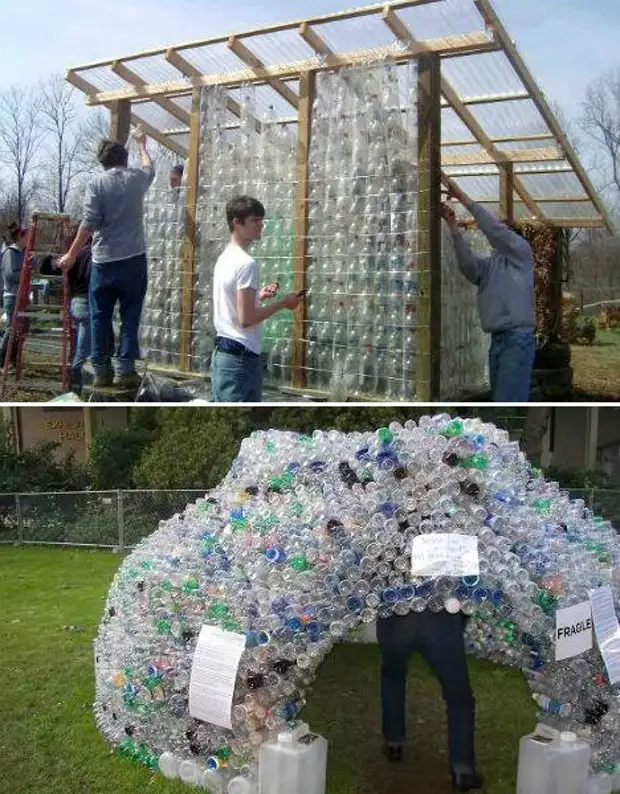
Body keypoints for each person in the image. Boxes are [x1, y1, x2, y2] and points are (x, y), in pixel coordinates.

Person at [58, 125, 154, 389]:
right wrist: (142, 143)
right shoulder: (136, 178)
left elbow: (89, 223)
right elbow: (149, 167)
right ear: (125, 159)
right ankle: (125, 368)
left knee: (99, 315)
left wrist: (71, 254)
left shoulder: (96, 183)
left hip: (104, 260)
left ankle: (101, 369)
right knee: (130, 314)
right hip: (134, 258)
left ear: (103, 163)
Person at [440, 174, 536, 402]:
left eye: (504, 232)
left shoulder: (521, 254)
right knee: (500, 399)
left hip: (517, 340)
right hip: (499, 340)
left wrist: (465, 199)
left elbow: (495, 231)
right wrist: (453, 227)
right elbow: (468, 267)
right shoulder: (491, 265)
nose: (497, 233)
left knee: (507, 399)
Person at [377, 610, 484, 792]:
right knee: (459, 698)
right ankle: (462, 769)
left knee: (392, 677)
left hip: (396, 615)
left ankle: (394, 742)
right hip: (439, 617)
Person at [211, 195, 304, 402]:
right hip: (240, 359)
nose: (260, 225)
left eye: (261, 220)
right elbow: (246, 319)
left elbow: (232, 305)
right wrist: (283, 303)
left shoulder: (225, 258)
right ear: (236, 222)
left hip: (223, 356)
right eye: (255, 221)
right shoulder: (247, 264)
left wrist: (258, 297)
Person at [0, 223, 28, 367]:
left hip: (22, 295)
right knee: (11, 329)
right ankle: (3, 357)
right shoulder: (10, 252)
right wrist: (25, 272)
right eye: (26, 236)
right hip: (11, 295)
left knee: (21, 329)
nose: (28, 239)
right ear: (19, 237)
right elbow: (10, 274)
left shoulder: (24, 253)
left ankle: (13, 357)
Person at [67, 236, 92, 392]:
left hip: (75, 301)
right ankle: (76, 386)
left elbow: (67, 276)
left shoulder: (75, 254)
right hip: (86, 302)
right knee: (83, 350)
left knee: (78, 346)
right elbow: (91, 277)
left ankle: (76, 382)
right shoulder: (91, 254)